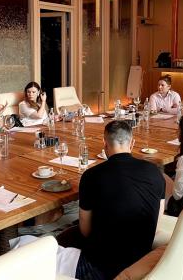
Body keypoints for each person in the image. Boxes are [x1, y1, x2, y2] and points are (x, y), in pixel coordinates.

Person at [75, 120, 165, 279]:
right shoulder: (155, 172)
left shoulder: (91, 176)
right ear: (132, 143)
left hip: (97, 267)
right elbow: (157, 221)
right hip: (141, 261)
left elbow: (85, 231)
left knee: (35, 248)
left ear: (105, 144)